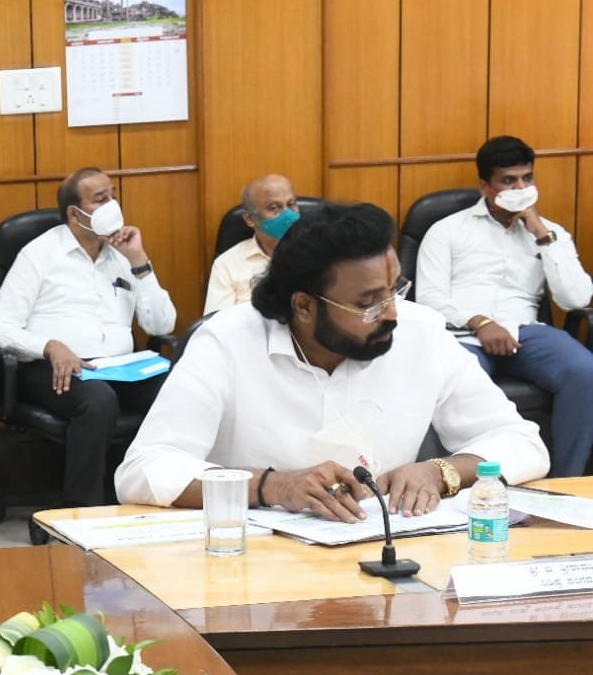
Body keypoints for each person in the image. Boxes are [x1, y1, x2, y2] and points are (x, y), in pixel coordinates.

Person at [115, 203, 549, 520]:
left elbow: (522, 443)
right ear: (304, 306)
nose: (393, 313)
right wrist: (272, 486)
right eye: (368, 303)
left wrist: (442, 472)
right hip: (255, 568)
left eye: (394, 289)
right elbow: (142, 471)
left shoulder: (421, 332)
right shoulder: (226, 342)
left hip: (387, 557)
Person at [0, 167, 175, 507]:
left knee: (176, 390)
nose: (113, 206)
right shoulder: (38, 255)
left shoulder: (122, 256)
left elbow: (161, 324)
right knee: (97, 399)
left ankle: (156, 495)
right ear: (75, 213)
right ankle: (83, 513)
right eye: (101, 200)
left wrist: (139, 261)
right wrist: (49, 346)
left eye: (114, 196)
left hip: (118, 368)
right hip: (53, 369)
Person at [416, 135, 593, 477]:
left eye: (527, 178)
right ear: (485, 186)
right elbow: (429, 300)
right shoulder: (447, 231)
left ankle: (564, 483)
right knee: (456, 385)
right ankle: (468, 484)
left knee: (585, 373)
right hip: (462, 334)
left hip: (525, 332)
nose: (520, 187)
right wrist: (481, 322)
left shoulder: (549, 233)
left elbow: (575, 298)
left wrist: (541, 233)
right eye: (508, 181)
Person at [205, 173, 300, 312]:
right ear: (250, 218)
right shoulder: (227, 265)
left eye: (291, 205)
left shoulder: (320, 253)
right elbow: (216, 325)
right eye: (274, 208)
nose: (288, 215)